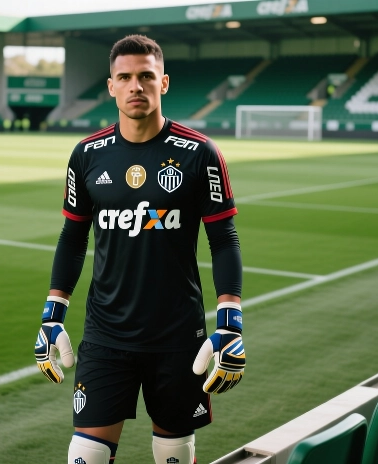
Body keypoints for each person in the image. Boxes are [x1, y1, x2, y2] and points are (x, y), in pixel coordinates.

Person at [34, 35, 245, 464]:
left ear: (163, 82)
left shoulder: (200, 153)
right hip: (105, 335)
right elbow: (72, 236)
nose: (136, 86)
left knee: (173, 455)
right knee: (86, 455)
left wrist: (231, 323)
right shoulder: (86, 155)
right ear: (111, 86)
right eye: (125, 77)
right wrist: (52, 314)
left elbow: (224, 238)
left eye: (146, 76)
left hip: (177, 337)